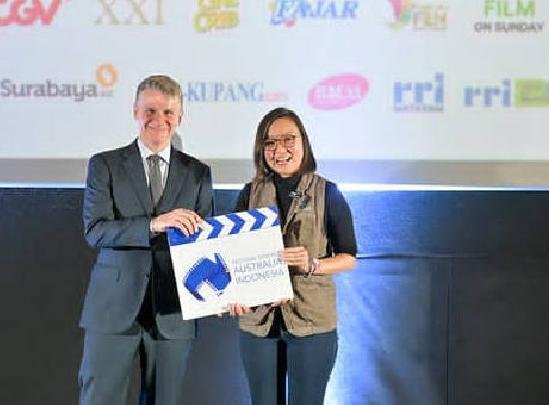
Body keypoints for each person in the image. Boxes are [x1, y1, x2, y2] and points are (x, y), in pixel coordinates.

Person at [78, 75, 213, 405]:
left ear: (180, 117)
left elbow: (205, 245)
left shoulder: (198, 173)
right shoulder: (105, 164)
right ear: (135, 112)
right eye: (150, 110)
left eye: (168, 112)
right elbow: (96, 230)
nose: (159, 119)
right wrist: (153, 224)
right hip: (113, 307)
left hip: (172, 311)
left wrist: (226, 293)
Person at [229, 107, 357, 405]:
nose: (280, 150)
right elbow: (232, 257)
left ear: (303, 142)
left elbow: (348, 257)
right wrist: (233, 293)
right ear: (261, 149)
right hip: (259, 322)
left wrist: (312, 264)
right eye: (270, 142)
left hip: (311, 321)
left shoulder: (327, 192)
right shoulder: (249, 193)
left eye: (289, 139)